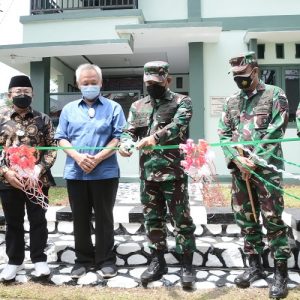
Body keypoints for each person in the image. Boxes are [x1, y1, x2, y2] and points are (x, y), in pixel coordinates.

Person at [218, 52, 291, 299]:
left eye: (244, 75)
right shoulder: (231, 101)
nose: (240, 80)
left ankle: (280, 272)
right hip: (241, 172)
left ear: (255, 70)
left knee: (272, 219)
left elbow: (276, 129)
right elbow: (224, 135)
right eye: (236, 76)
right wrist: (238, 160)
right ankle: (255, 266)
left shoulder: (274, 94)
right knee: (246, 218)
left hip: (267, 170)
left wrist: (254, 159)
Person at [119, 61, 196, 288]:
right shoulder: (137, 106)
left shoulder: (182, 101)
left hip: (173, 174)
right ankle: (158, 262)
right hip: (148, 174)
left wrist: (155, 138)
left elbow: (179, 125)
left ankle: (187, 264)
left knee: (181, 219)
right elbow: (129, 131)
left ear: (167, 80)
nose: (152, 86)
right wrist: (125, 144)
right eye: (148, 82)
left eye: (156, 82)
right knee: (153, 219)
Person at [55, 63, 126, 279]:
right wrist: (77, 156)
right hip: (76, 173)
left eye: (93, 82)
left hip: (105, 172)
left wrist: (98, 158)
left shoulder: (114, 107)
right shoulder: (68, 109)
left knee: (105, 217)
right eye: (85, 83)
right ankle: (83, 260)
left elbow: (119, 136)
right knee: (80, 217)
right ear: (78, 84)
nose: (90, 86)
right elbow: (61, 137)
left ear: (101, 83)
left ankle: (106, 260)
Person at [0, 75, 57, 281]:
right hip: (9, 180)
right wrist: (5, 171)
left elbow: (52, 147)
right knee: (13, 221)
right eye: (18, 91)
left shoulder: (44, 119)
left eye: (26, 91)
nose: (22, 95)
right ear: (10, 94)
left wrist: (39, 168)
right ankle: (14, 261)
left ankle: (39, 259)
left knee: (37, 220)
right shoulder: (1, 118)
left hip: (37, 181)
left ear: (32, 93)